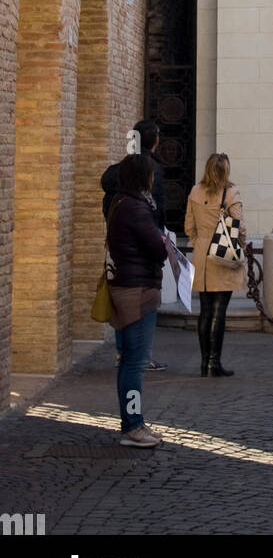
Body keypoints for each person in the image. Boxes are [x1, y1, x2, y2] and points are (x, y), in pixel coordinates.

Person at [106, 152, 170, 448]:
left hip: (127, 285)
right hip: (138, 290)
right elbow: (157, 249)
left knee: (130, 361)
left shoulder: (120, 202)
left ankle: (135, 422)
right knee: (135, 362)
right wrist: (164, 242)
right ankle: (132, 426)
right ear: (143, 177)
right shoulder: (136, 207)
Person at [101, 119, 168, 372]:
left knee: (121, 299)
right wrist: (161, 239)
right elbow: (157, 209)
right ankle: (138, 355)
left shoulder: (119, 171)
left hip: (117, 241)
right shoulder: (149, 173)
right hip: (141, 245)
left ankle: (124, 352)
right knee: (140, 303)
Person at [184, 152, 246, 377]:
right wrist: (241, 245)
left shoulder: (194, 191)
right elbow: (238, 225)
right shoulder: (231, 192)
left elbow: (188, 226)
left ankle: (203, 363)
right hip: (223, 251)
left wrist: (200, 243)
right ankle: (214, 363)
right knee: (220, 310)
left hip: (202, 253)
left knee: (205, 309)